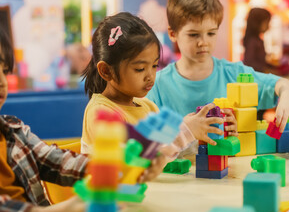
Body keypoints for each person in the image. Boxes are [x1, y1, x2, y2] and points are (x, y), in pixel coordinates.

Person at [147, 0, 289, 140]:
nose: (203, 42)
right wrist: (183, 129)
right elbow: (146, 139)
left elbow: (282, 84)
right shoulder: (157, 85)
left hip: (230, 164)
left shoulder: (234, 74)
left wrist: (287, 97)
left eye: (211, 33)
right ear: (173, 33)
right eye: (193, 35)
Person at [81, 12, 227, 169]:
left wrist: (206, 133)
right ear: (106, 71)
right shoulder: (101, 113)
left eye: (154, 66)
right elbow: (135, 161)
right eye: (140, 69)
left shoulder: (148, 107)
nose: (150, 76)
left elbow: (168, 153)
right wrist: (185, 131)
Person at [0, 18, 88, 212]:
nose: (2, 81)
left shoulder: (13, 129)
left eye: (4, 70)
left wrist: (109, 166)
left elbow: (56, 160)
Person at [242, 7, 273, 73]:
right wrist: (266, 70)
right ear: (257, 23)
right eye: (267, 22)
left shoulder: (258, 41)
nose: (268, 26)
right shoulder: (253, 41)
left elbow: (260, 63)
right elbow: (249, 64)